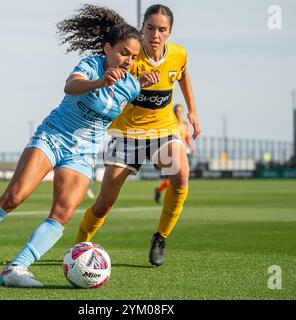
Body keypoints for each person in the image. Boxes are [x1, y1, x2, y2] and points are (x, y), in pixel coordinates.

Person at [0, 4, 157, 287]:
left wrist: (141, 81)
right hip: (53, 136)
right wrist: (99, 81)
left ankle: (16, 269)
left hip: (84, 152)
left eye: (134, 56)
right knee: (13, 197)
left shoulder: (131, 85)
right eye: (123, 52)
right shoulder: (91, 66)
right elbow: (71, 86)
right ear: (107, 49)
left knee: (62, 214)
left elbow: (126, 94)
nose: (128, 60)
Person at [75, 4, 201, 267]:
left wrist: (192, 110)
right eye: (150, 28)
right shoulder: (129, 57)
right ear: (142, 27)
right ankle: (79, 247)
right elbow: (109, 96)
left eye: (162, 30)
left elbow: (183, 74)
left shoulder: (179, 54)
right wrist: (134, 84)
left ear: (170, 32)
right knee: (105, 202)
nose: (155, 34)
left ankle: (160, 237)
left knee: (181, 176)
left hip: (163, 131)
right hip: (125, 135)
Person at [154, 103, 195, 204]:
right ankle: (169, 196)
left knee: (180, 176)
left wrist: (190, 146)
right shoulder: (171, 123)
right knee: (174, 176)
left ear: (182, 112)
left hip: (183, 151)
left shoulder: (185, 125)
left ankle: (160, 191)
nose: (178, 113)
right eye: (176, 111)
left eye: (180, 111)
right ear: (174, 112)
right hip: (172, 151)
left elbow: (186, 137)